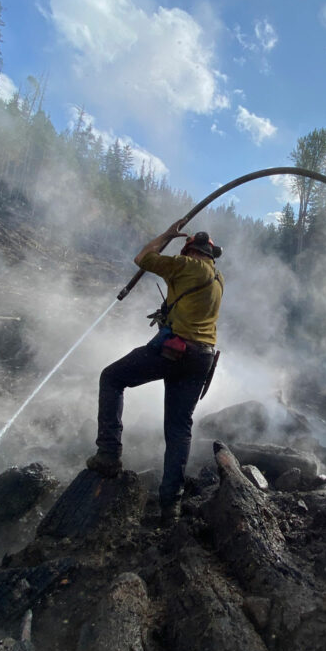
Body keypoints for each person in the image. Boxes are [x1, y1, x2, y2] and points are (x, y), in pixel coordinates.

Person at [86, 220, 224, 522]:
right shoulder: (217, 279)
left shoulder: (187, 265)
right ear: (212, 254)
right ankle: (170, 505)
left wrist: (166, 235)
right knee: (179, 429)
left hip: (174, 350)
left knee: (111, 378)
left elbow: (143, 258)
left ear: (190, 250)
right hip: (202, 357)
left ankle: (109, 454)